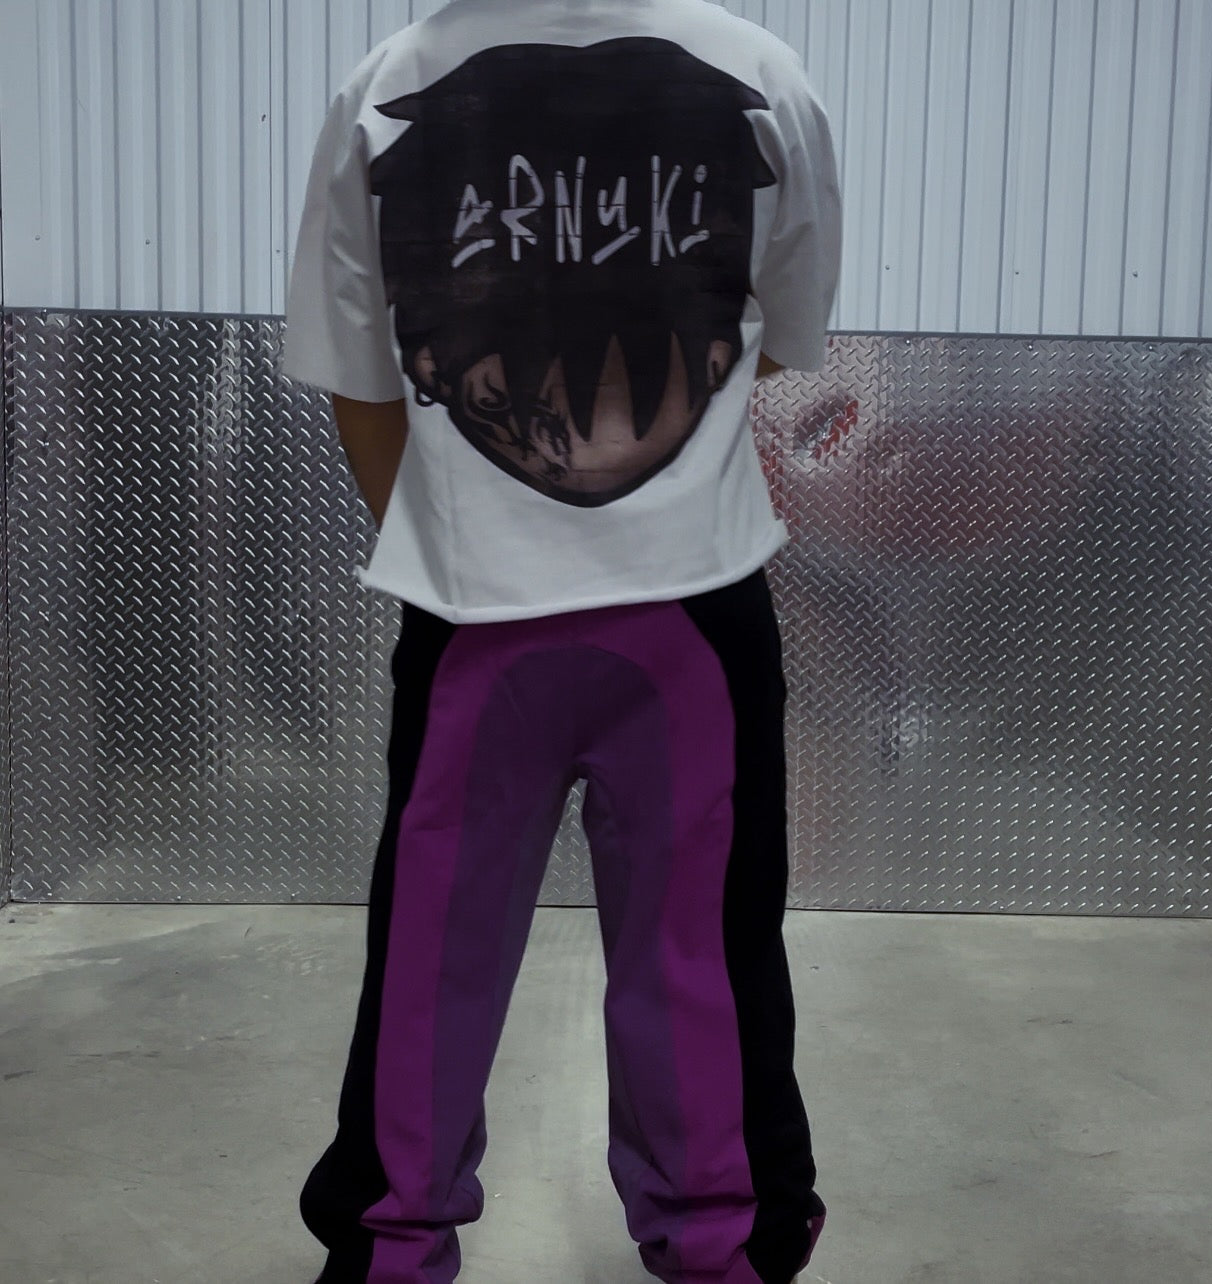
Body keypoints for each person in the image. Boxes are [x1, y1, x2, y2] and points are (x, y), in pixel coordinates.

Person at [281, 1, 842, 1281]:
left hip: (474, 623)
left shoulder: (383, 86)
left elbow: (361, 379)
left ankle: (389, 1248)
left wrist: (457, 541)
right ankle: (725, 1249)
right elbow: (775, 341)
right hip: (693, 613)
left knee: (431, 961)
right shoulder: (767, 78)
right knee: (702, 960)